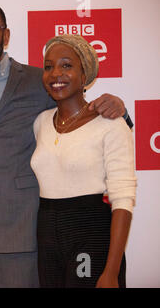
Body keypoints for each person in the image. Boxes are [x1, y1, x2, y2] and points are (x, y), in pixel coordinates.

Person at [0, 0, 130, 287]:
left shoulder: (38, 81)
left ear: (6, 36)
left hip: (22, 237)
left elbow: (80, 113)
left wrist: (121, 110)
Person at [31, 34, 136, 288]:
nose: (56, 73)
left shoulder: (111, 124)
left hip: (90, 232)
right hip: (46, 235)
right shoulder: (41, 122)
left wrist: (111, 271)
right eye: (48, 66)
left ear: (85, 73)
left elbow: (123, 199)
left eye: (67, 65)